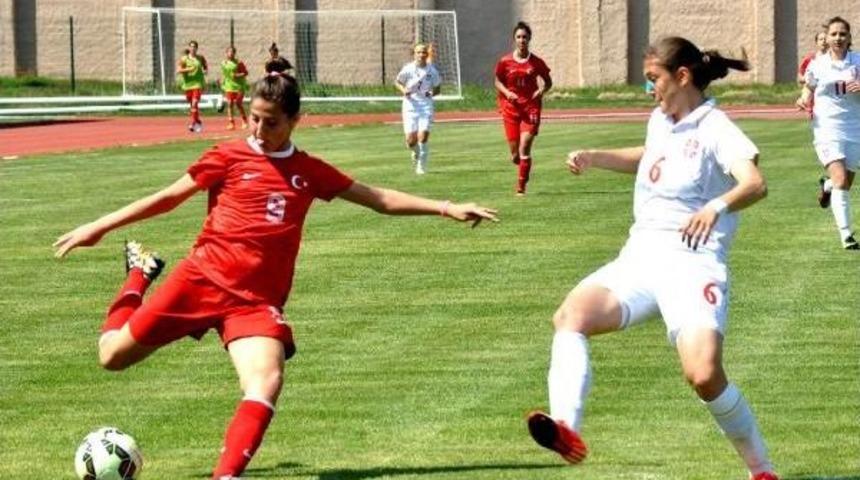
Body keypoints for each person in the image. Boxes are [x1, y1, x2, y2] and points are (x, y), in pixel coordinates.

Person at [53, 72, 498, 480]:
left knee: (267, 379)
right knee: (111, 357)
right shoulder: (227, 156)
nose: (259, 130)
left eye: (271, 123)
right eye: (254, 118)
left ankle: (226, 476)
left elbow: (377, 198)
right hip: (199, 280)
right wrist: (100, 225)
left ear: (295, 121)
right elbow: (169, 197)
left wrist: (446, 207)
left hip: (253, 303)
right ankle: (138, 276)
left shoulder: (309, 171)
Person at [525, 37, 779, 480]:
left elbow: (754, 183)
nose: (649, 89)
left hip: (693, 262)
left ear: (682, 77)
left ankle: (761, 470)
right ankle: (566, 427)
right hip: (640, 256)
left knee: (703, 375)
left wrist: (715, 207)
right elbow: (650, 158)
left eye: (653, 79)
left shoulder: (715, 127)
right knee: (571, 316)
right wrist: (596, 157)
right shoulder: (660, 120)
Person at [797, 16, 860, 250]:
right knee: (841, 180)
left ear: (849, 37)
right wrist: (803, 99)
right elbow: (808, 88)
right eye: (834, 34)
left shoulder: (858, 61)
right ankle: (847, 235)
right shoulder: (818, 64)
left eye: (843, 34)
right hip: (827, 127)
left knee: (844, 182)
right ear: (827, 37)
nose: (838, 38)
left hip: (854, 127)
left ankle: (827, 187)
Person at [494, 21, 552, 196]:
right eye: (518, 37)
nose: (522, 40)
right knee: (515, 155)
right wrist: (507, 93)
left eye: (524, 37)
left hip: (531, 108)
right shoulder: (505, 61)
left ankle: (521, 187)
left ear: (529, 39)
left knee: (525, 146)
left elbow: (548, 82)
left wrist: (541, 91)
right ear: (514, 39)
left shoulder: (536, 62)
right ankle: (522, 165)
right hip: (511, 109)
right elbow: (497, 81)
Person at [395, 43, 442, 174]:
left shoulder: (432, 71)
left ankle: (421, 166)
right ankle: (415, 152)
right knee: (411, 141)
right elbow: (398, 82)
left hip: (425, 105)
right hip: (410, 105)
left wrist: (431, 93)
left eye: (424, 52)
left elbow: (438, 89)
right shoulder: (408, 69)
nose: (421, 55)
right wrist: (404, 90)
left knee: (423, 136)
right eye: (418, 52)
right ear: (414, 54)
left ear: (427, 54)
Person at [177, 40, 209, 133]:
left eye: (194, 47)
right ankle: (198, 122)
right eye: (191, 46)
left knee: (194, 103)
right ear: (189, 48)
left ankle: (193, 124)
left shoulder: (200, 58)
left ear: (197, 48)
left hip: (198, 84)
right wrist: (189, 69)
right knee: (192, 106)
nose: (193, 48)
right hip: (188, 85)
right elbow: (179, 70)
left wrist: (205, 71)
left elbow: (205, 66)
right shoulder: (184, 59)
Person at [220, 46, 249, 130]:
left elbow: (245, 73)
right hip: (229, 86)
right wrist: (222, 80)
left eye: (232, 52)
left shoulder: (239, 63)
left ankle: (244, 121)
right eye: (229, 52)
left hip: (239, 86)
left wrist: (237, 75)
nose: (231, 54)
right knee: (230, 103)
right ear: (226, 53)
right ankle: (231, 123)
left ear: (234, 53)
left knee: (238, 103)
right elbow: (224, 74)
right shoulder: (223, 63)